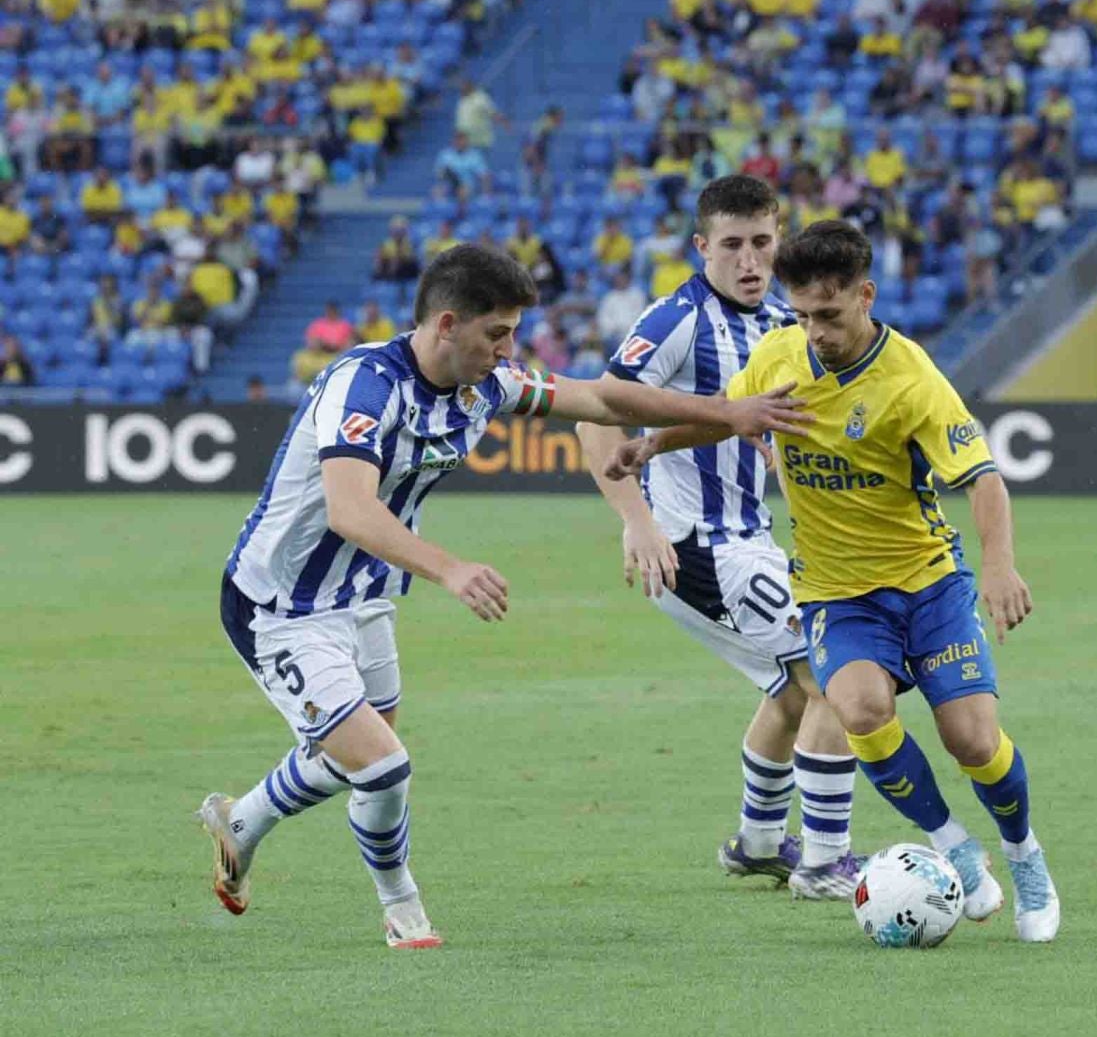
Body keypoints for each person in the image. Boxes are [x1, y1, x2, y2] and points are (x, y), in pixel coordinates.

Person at [196, 245, 811, 950]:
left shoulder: (486, 385)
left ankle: (240, 822)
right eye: (498, 334)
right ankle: (403, 910)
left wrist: (727, 412)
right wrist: (450, 569)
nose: (509, 349)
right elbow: (350, 510)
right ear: (448, 325)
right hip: (280, 606)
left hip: (363, 595)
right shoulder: (362, 387)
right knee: (383, 764)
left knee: (357, 758)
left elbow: (603, 398)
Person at [601, 220, 1062, 942]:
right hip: (836, 592)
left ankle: (1023, 854)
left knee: (972, 742)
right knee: (858, 708)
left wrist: (1000, 566)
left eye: (831, 314)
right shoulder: (781, 352)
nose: (814, 330)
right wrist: (655, 443)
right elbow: (730, 418)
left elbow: (984, 480)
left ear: (866, 294)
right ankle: (954, 847)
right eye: (805, 313)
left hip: (928, 584)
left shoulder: (912, 379)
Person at [575, 177, 863, 899]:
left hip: (752, 541)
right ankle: (827, 863)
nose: (748, 259)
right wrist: (635, 522)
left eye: (762, 242)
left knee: (791, 690)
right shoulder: (677, 319)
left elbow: (750, 416)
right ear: (702, 248)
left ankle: (760, 844)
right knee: (831, 674)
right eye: (731, 245)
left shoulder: (778, 318)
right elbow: (595, 415)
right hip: (696, 546)